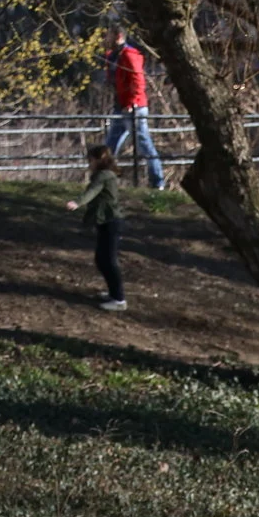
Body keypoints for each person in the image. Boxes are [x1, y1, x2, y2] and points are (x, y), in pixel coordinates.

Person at [102, 30, 165, 191]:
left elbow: (137, 80)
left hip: (132, 108)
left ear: (118, 36)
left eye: (107, 35)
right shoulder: (113, 56)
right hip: (121, 106)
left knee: (144, 143)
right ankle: (103, 180)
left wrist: (132, 103)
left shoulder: (129, 55)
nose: (104, 38)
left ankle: (157, 182)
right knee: (110, 145)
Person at [65, 144, 125, 310]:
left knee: (109, 261)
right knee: (101, 259)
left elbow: (92, 191)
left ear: (99, 160)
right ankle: (113, 293)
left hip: (112, 222)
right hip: (105, 222)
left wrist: (77, 202)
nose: (89, 163)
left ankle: (119, 299)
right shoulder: (104, 174)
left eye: (90, 160)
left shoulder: (104, 176)